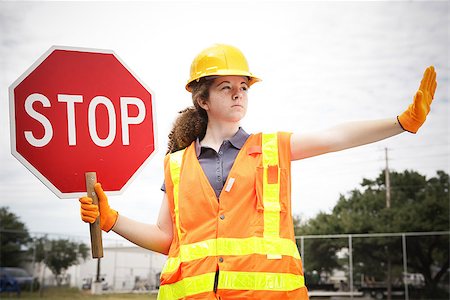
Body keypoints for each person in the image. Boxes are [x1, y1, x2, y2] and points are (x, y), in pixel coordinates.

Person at [79, 44, 437, 299]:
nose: (239, 94)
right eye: (226, 87)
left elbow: (334, 137)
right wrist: (111, 219)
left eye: (244, 88)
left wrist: (400, 123)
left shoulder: (270, 148)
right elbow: (166, 238)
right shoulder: (176, 164)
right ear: (202, 99)